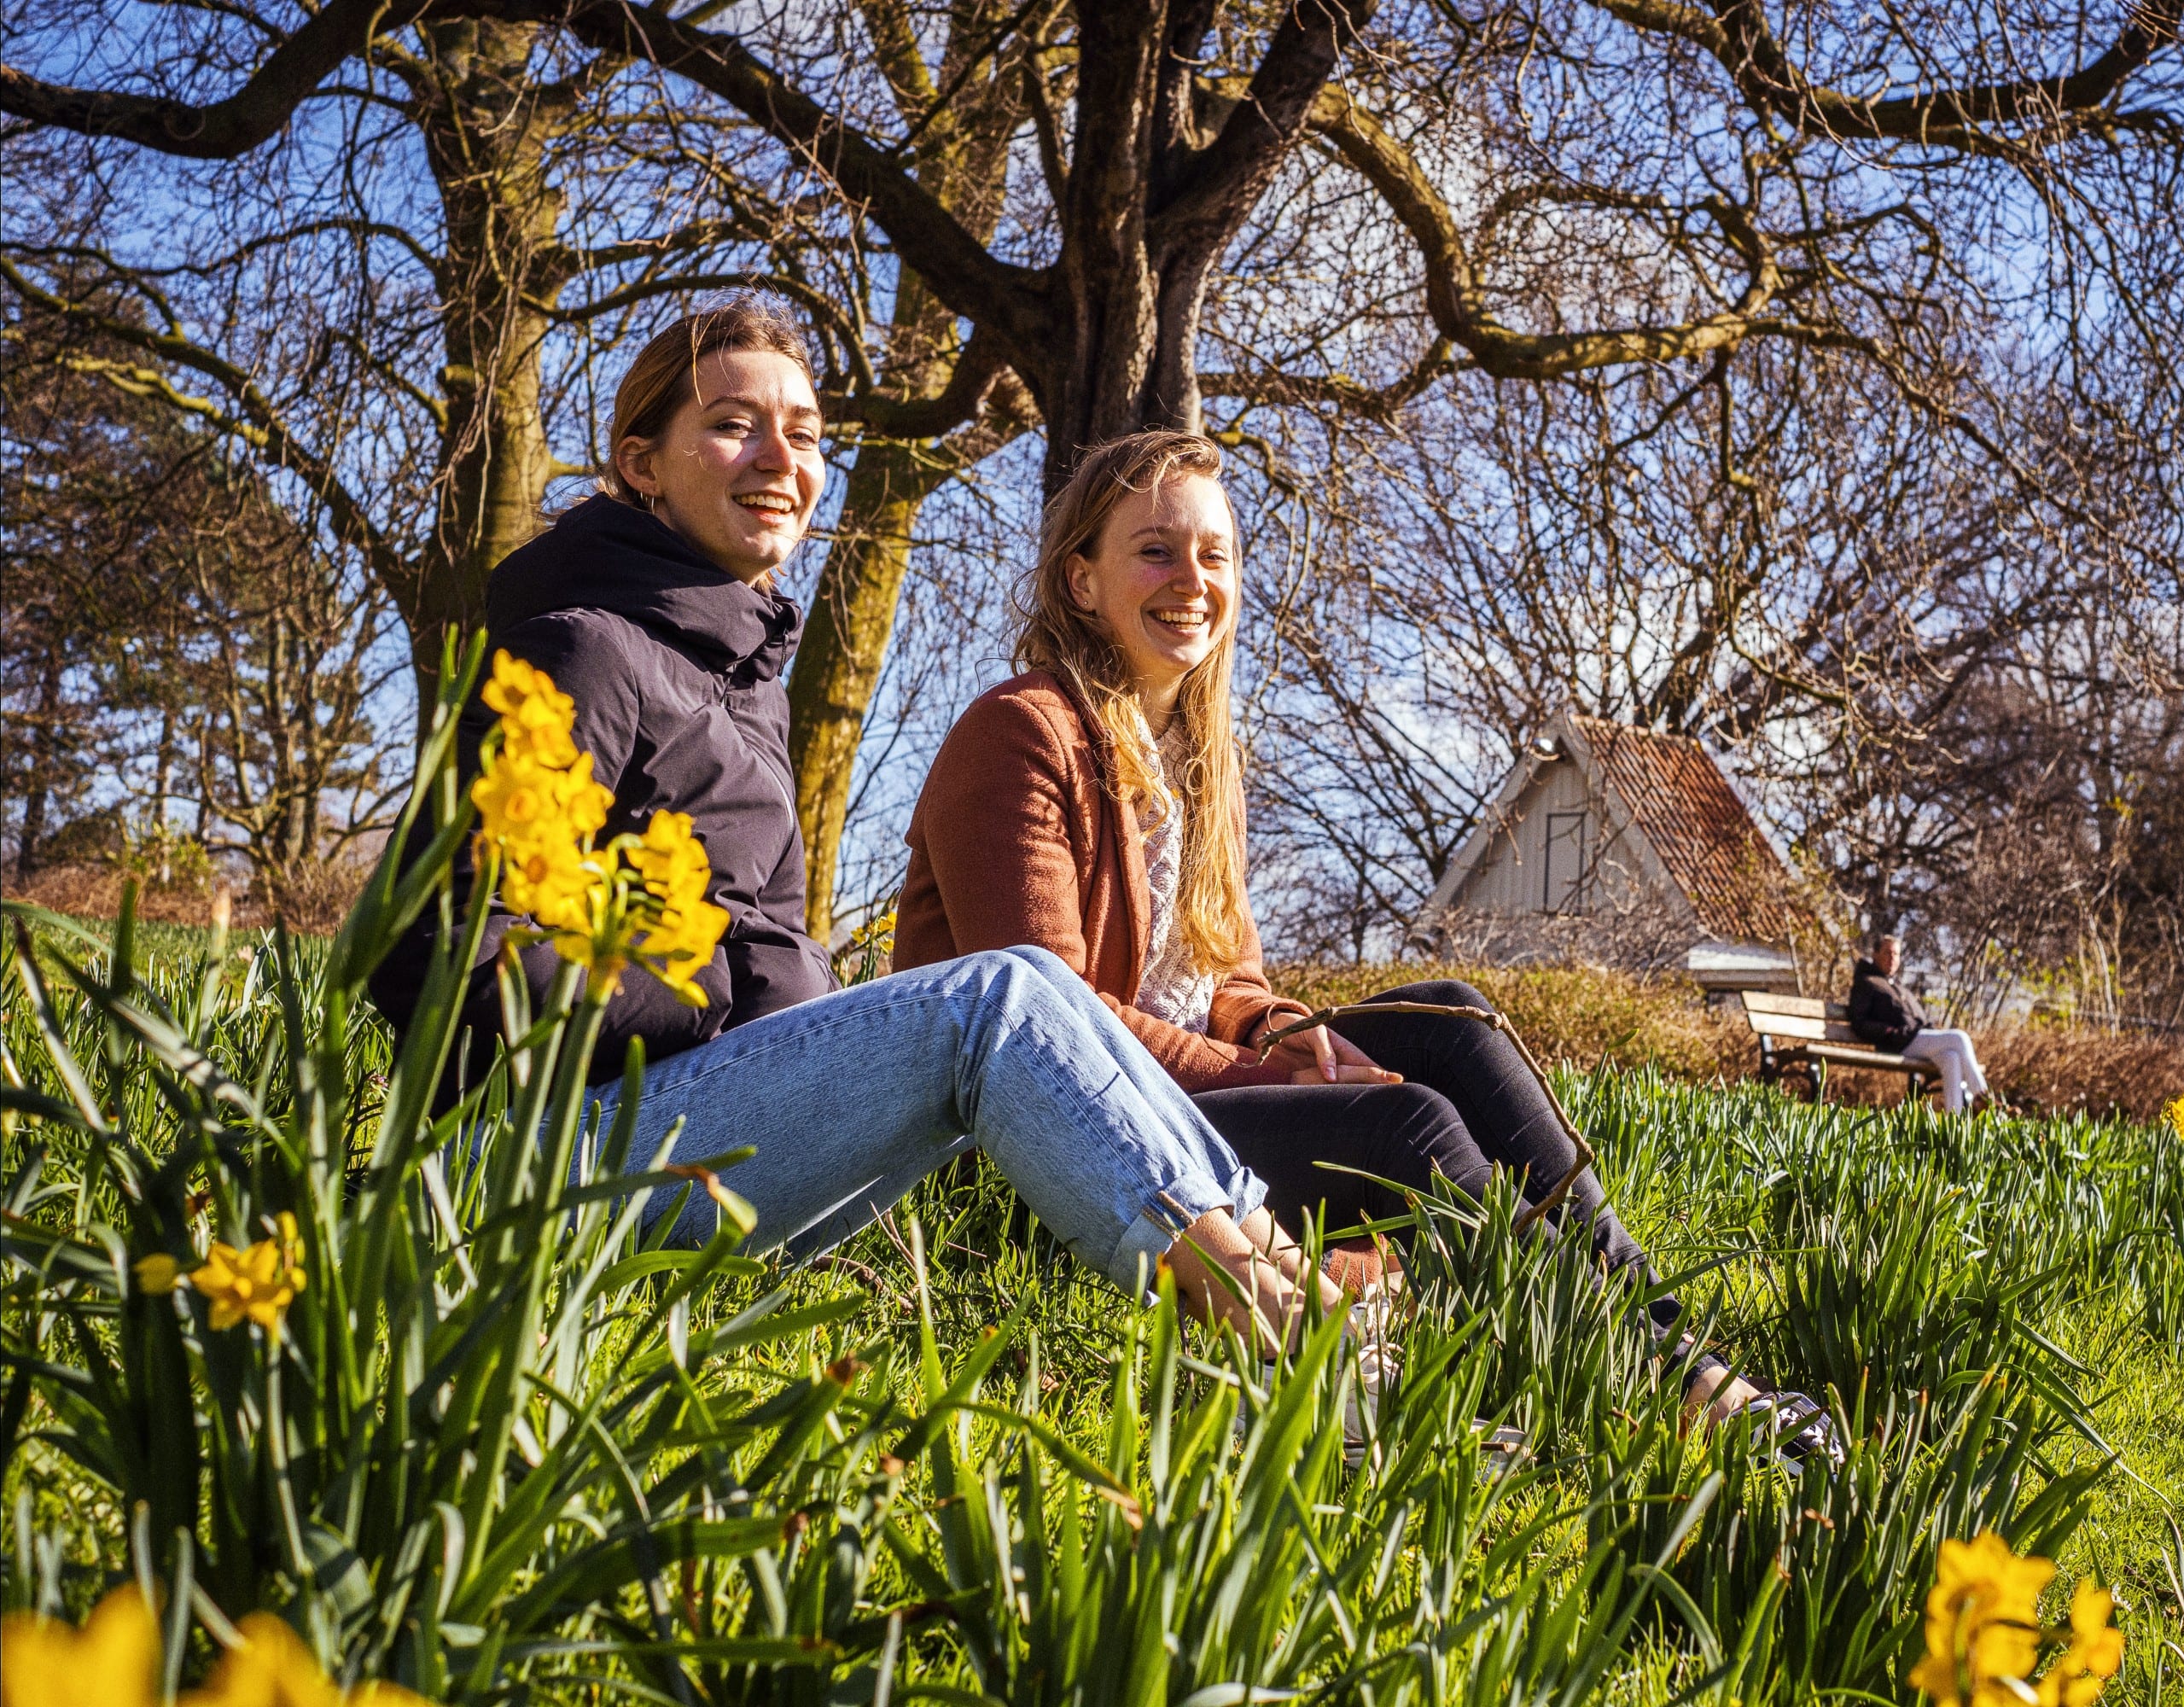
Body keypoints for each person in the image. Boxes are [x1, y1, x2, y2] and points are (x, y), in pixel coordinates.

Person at [368, 302, 1341, 1354]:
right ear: (640, 461)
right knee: (1004, 993)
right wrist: (711, 992)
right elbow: (429, 949)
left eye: (807, 432)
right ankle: (1283, 1335)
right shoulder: (581, 654)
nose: (779, 457)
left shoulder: (738, 680)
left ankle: (1314, 1303)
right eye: (735, 423)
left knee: (1031, 994)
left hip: (712, 1142)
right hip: (540, 1160)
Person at [892, 429, 1834, 1452]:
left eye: (1216, 555)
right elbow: (1049, 1018)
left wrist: (1291, 1033)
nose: (1192, 581)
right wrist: (1257, 1072)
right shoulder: (1020, 730)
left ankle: (1665, 1347)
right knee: (1409, 1127)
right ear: (1081, 579)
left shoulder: (1201, 757)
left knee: (1451, 1020)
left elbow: (1226, 976)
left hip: (1179, 1098)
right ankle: (1653, 1386)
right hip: (1063, 1137)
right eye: (1155, 551)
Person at [1847, 934, 1994, 1114]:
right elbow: (1859, 1022)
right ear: (1875, 954)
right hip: (1898, 1042)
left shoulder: (1897, 986)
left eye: (1896, 954)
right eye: (1887, 953)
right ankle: (1982, 1097)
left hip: (1915, 1039)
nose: (1892, 958)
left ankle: (1954, 1120)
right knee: (1959, 1037)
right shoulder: (1867, 983)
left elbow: (1920, 1020)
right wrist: (1891, 1032)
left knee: (1951, 1058)